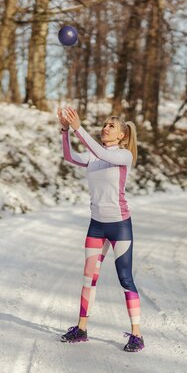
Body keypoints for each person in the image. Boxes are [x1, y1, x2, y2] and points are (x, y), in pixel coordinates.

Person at [57, 106, 144, 353]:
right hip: (96, 225)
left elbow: (96, 149)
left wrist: (78, 128)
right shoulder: (95, 157)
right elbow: (70, 157)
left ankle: (137, 335)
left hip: (119, 225)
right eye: (104, 125)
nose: (105, 128)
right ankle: (81, 329)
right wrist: (65, 130)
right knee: (88, 278)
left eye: (111, 126)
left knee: (125, 279)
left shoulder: (123, 156)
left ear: (122, 136)